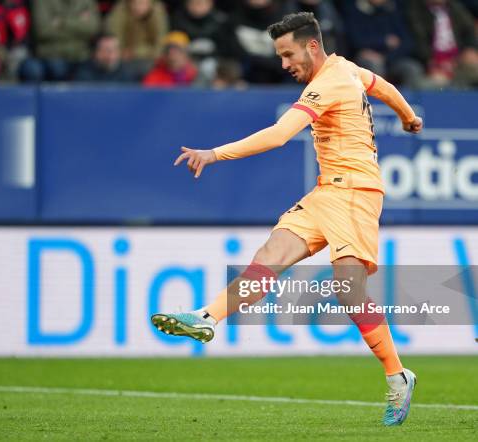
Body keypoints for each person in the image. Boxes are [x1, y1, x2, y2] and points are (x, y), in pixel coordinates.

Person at [151, 12, 423, 427]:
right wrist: (407, 116)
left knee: (349, 292)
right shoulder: (346, 69)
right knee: (270, 255)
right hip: (325, 192)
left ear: (312, 46)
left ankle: (397, 374)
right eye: (280, 56)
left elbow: (279, 135)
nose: (283, 64)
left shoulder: (329, 81)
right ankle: (206, 318)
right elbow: (380, 85)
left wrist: (213, 153)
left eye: (287, 54)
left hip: (354, 192)